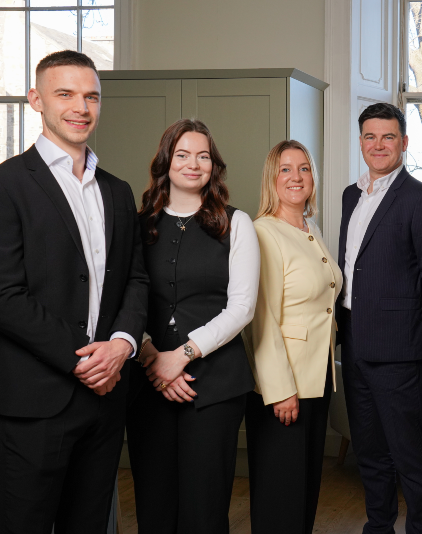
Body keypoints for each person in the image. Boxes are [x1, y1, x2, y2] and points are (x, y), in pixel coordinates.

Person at [0, 50, 149, 534]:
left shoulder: (117, 191)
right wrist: (85, 359)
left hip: (107, 399)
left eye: (91, 96)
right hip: (35, 400)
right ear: (36, 100)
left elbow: (135, 279)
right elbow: (1, 297)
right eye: (65, 94)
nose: (80, 107)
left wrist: (122, 346)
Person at [125, 118, 260, 534]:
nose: (193, 164)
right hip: (148, 383)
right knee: (154, 503)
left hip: (215, 385)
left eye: (203, 156)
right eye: (182, 155)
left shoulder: (237, 224)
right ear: (166, 162)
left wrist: (181, 356)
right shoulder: (138, 223)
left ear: (213, 166)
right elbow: (125, 297)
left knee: (205, 506)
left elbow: (242, 308)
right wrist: (152, 358)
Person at [337, 102, 422, 534]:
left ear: (403, 142)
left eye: (387, 137)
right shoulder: (351, 194)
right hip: (354, 345)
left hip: (399, 350)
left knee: (409, 456)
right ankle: (378, 527)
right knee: (370, 452)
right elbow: (352, 269)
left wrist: (418, 334)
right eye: (369, 136)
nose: (378, 145)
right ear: (360, 141)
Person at [243, 140, 343, 534]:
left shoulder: (308, 228)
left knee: (304, 492)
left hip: (316, 381)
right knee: (279, 497)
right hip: (283, 389)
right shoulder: (262, 232)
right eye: (285, 169)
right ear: (272, 178)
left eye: (304, 168)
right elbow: (260, 319)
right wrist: (281, 389)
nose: (296, 177)